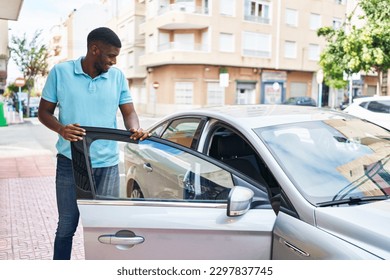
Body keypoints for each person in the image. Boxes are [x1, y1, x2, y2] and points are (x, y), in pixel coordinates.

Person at [38, 27, 149, 260]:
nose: (114, 61)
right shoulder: (61, 72)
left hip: (107, 165)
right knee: (67, 226)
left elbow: (129, 112)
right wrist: (61, 129)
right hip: (71, 163)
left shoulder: (117, 77)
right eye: (110, 55)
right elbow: (44, 113)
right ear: (94, 49)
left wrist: (135, 128)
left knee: (106, 227)